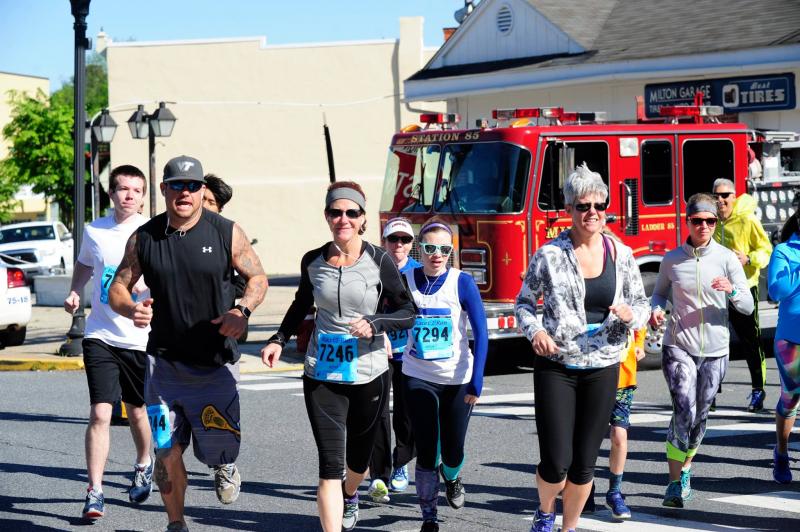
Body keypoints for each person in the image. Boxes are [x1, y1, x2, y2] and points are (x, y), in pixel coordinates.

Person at [109, 156, 268, 532]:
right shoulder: (144, 238)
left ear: (201, 191)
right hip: (163, 364)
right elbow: (117, 287)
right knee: (165, 450)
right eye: (177, 185)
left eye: (192, 186)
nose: (185, 192)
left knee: (217, 448)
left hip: (215, 362)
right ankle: (176, 523)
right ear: (163, 189)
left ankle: (224, 464)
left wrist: (241, 310)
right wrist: (132, 309)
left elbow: (258, 277)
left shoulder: (225, 231)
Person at [260, 181, 415, 532]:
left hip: (368, 372)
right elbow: (301, 304)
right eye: (335, 212)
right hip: (322, 372)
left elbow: (408, 311)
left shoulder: (381, 260)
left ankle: (351, 492)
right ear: (327, 216)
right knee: (330, 465)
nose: (342, 219)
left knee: (357, 463)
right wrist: (278, 339)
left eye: (351, 213)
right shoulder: (313, 261)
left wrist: (375, 323)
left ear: (362, 218)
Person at [515, 163, 649, 532]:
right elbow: (523, 303)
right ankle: (545, 511)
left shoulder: (622, 255)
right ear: (569, 210)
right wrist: (536, 332)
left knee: (584, 464)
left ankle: (568, 527)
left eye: (599, 206)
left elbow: (643, 305)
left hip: (604, 363)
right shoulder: (549, 255)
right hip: (558, 363)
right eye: (583, 206)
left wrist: (630, 314)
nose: (592, 213)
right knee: (557, 462)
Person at [651, 193, 753, 508]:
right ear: (688, 222)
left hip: (716, 349)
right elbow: (658, 295)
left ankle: (686, 470)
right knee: (684, 407)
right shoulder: (672, 259)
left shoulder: (726, 259)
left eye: (710, 221)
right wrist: (656, 310)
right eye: (698, 221)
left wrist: (733, 289)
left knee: (701, 412)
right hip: (678, 344)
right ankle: (672, 483)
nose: (704, 226)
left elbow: (748, 307)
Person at [64, 165, 153, 521]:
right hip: (100, 334)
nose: (129, 195)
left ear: (144, 196)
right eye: (122, 189)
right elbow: (85, 264)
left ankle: (144, 461)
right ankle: (95, 491)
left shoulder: (152, 232)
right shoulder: (94, 230)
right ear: (111, 194)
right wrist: (74, 290)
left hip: (139, 336)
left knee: (137, 411)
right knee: (101, 411)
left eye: (136, 190)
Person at [400, 216, 487, 532]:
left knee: (452, 448)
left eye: (444, 249)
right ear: (419, 249)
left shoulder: (461, 282)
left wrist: (477, 379)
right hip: (417, 374)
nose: (437, 255)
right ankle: (429, 515)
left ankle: (452, 477)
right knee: (426, 446)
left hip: (457, 377)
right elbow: (386, 312)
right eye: (430, 248)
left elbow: (481, 331)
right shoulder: (406, 279)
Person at [367, 217, 421, 503]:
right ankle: (379, 474)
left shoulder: (418, 272)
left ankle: (400, 462)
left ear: (411, 245)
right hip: (379, 349)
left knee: (407, 413)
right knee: (376, 413)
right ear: (384, 242)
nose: (398, 245)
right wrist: (380, 332)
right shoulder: (374, 270)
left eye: (404, 240)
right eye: (393, 240)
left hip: (411, 352)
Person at [712, 178, 772, 412]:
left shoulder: (747, 219)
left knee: (750, 340)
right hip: (717, 290)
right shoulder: (712, 220)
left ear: (734, 196)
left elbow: (765, 249)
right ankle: (711, 392)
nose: (720, 200)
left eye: (725, 195)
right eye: (716, 196)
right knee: (715, 341)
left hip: (745, 287)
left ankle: (758, 390)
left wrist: (749, 259)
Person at [767, 205, 800, 484]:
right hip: (792, 339)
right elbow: (777, 291)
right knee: (791, 400)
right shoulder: (784, 252)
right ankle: (781, 451)